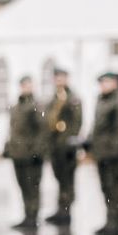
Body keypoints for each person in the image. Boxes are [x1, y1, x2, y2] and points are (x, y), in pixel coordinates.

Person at [6, 75, 47, 230]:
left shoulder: (36, 106)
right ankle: (27, 215)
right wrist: (8, 147)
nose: (26, 88)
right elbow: (13, 130)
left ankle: (33, 216)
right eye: (23, 85)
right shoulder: (16, 107)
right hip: (18, 153)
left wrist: (38, 151)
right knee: (23, 185)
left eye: (29, 85)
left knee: (33, 186)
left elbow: (42, 131)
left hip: (31, 154)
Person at [47, 67, 83, 226]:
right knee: (59, 177)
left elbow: (77, 122)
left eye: (62, 77)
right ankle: (60, 208)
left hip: (67, 146)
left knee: (68, 179)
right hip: (55, 145)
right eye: (57, 78)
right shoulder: (53, 98)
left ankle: (66, 210)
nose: (59, 81)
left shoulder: (73, 98)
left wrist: (70, 141)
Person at [90, 71, 118, 235]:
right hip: (101, 152)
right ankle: (110, 221)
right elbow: (97, 126)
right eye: (101, 82)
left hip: (113, 155)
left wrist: (115, 152)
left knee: (114, 189)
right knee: (106, 188)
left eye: (106, 82)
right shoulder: (101, 100)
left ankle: (115, 223)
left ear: (115, 83)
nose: (103, 85)